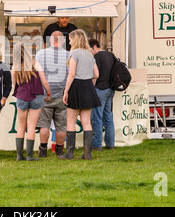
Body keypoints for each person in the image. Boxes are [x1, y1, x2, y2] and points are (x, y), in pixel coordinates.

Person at [61, 29, 101, 160]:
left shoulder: (73, 53)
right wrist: (89, 80)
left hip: (76, 86)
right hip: (88, 86)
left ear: (75, 40)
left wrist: (66, 91)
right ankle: (87, 153)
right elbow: (96, 74)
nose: (69, 41)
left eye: (71, 39)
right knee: (86, 122)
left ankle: (69, 153)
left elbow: (71, 74)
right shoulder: (90, 54)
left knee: (71, 121)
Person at [12, 42, 51, 161]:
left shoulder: (15, 66)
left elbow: (14, 84)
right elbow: (44, 81)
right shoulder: (35, 63)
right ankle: (29, 155)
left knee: (21, 126)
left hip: (22, 96)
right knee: (32, 126)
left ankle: (19, 155)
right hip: (36, 95)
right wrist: (48, 93)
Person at [35, 31, 69, 158]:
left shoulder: (40, 54)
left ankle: (43, 149)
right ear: (63, 41)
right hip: (62, 94)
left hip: (45, 94)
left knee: (44, 124)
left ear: (50, 40)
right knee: (61, 125)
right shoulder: (68, 55)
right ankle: (59, 150)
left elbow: (37, 73)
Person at [89, 38, 116, 151]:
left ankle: (96, 145)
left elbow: (95, 75)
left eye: (89, 50)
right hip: (110, 90)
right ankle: (110, 144)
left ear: (94, 47)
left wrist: (91, 89)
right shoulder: (111, 55)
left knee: (97, 119)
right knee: (108, 119)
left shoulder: (96, 57)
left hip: (99, 90)